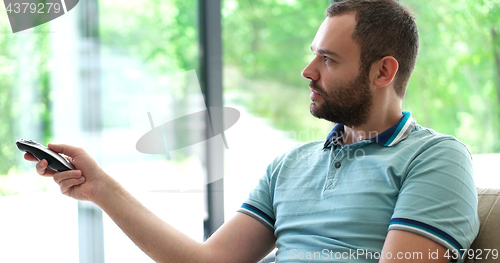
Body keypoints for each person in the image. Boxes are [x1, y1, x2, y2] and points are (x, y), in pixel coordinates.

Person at [25, 0, 479, 262]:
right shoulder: (289, 165)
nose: (307, 71)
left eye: (328, 59)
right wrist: (102, 188)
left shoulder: (436, 159)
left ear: (383, 72)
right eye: (313, 55)